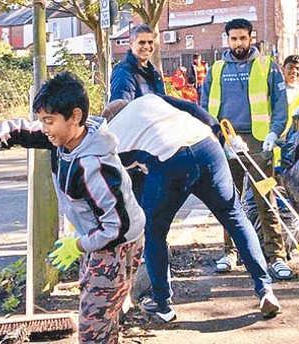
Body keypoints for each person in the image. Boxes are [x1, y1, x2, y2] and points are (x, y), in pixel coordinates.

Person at [0, 72, 146, 343]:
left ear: (75, 116)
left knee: (93, 327)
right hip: (97, 237)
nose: (44, 128)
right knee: (100, 316)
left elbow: (116, 227)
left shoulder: (94, 167)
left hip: (118, 245)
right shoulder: (61, 138)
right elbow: (15, 130)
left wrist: (77, 245)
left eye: (49, 121)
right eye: (42, 120)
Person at [102, 94, 282, 322]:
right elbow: (192, 106)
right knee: (235, 216)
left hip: (170, 160)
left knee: (154, 231)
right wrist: (217, 131)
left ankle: (162, 304)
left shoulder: (111, 137)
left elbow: (125, 192)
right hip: (207, 146)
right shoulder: (151, 99)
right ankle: (265, 289)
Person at [200, 18, 293, 280]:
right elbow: (205, 104)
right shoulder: (217, 69)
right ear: (227, 40)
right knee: (228, 199)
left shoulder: (266, 66)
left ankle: (276, 256)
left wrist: (274, 132)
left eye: (243, 38)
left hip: (257, 142)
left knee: (265, 198)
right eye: (234, 39)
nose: (238, 43)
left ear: (251, 38)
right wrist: (212, 135)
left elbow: (279, 103)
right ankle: (230, 253)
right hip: (226, 142)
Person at [110, 24, 165, 101]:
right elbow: (122, 106)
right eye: (142, 42)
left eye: (150, 42)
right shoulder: (123, 71)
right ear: (131, 44)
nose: (147, 46)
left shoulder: (155, 72)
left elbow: (162, 102)